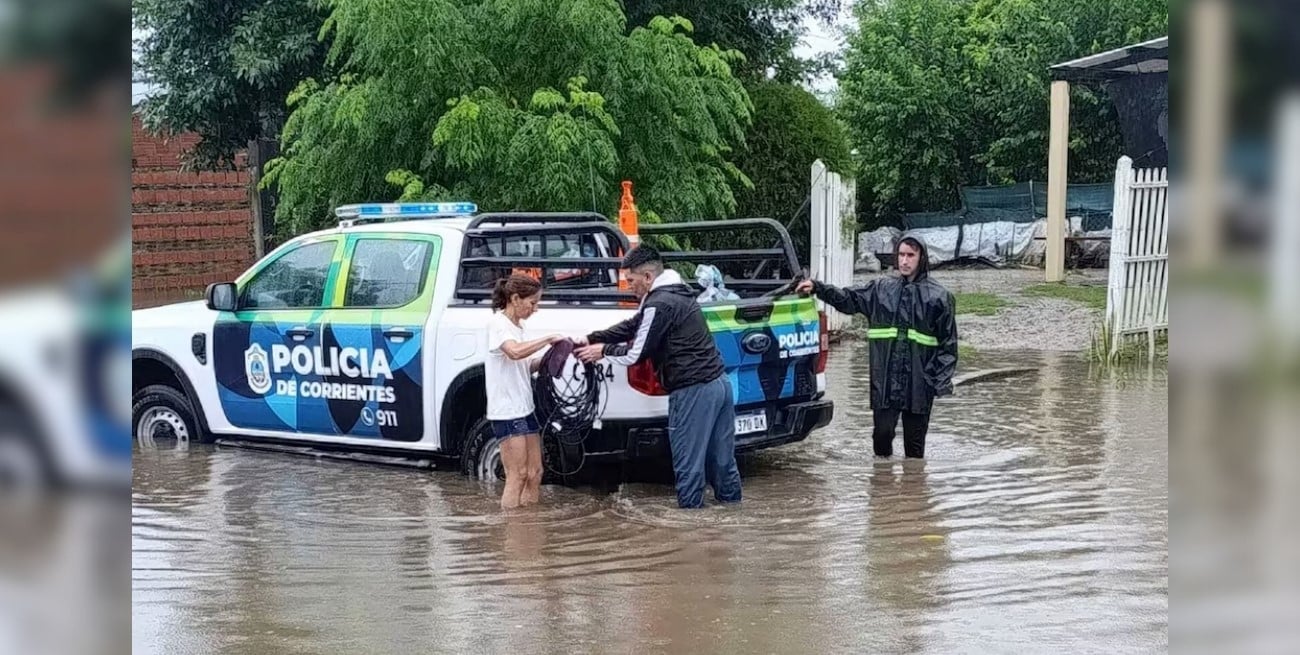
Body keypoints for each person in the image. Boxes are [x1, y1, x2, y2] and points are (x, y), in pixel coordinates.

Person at [575, 246, 741, 509]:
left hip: (692, 391)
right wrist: (594, 336)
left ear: (648, 277)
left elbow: (635, 354)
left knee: (688, 467)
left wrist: (602, 351)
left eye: (631, 281)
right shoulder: (678, 293)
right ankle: (733, 516)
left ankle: (691, 533)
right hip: (720, 384)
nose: (628, 287)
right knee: (723, 462)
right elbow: (636, 325)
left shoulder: (658, 303)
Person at [796, 234, 958, 459]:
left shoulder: (939, 297)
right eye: (901, 255)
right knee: (881, 438)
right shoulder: (881, 289)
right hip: (885, 381)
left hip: (920, 383)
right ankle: (883, 485)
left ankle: (912, 491)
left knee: (914, 449)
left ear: (922, 258)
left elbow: (948, 345)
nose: (904, 261)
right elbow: (848, 299)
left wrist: (940, 382)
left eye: (910, 255)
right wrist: (818, 288)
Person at [486, 274, 562, 509]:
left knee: (534, 472)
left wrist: (550, 357)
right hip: (507, 411)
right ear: (515, 298)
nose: (535, 309)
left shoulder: (518, 326)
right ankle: (512, 533)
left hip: (525, 407)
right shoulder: (498, 323)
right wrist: (548, 339)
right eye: (533, 303)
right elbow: (515, 352)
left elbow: (524, 364)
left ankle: (528, 527)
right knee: (516, 475)